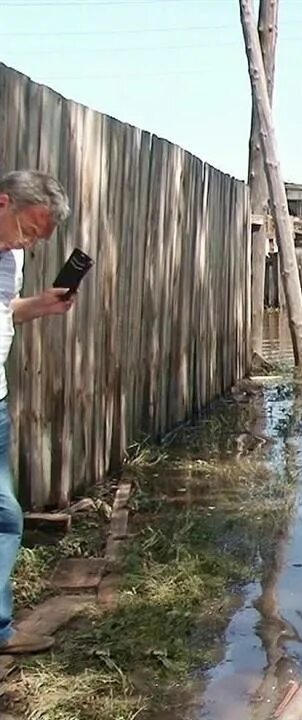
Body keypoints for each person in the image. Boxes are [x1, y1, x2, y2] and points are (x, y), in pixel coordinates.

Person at [0, 170, 75, 655]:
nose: (29, 243)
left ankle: (0, 629)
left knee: (6, 516)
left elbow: (6, 312)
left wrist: (40, 306)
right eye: (28, 231)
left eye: (38, 239)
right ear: (2, 203)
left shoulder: (11, 259)